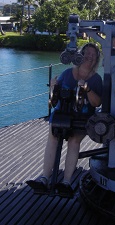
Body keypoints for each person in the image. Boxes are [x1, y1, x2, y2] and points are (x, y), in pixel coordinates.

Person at [27, 43, 103, 196]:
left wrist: (87, 89)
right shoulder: (67, 74)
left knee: (74, 141)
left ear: (96, 60)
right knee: (53, 139)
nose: (89, 57)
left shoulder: (96, 79)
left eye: (93, 56)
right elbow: (54, 100)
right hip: (62, 114)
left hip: (82, 118)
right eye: (86, 54)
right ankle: (44, 178)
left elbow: (97, 103)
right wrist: (53, 88)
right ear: (80, 56)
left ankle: (66, 182)